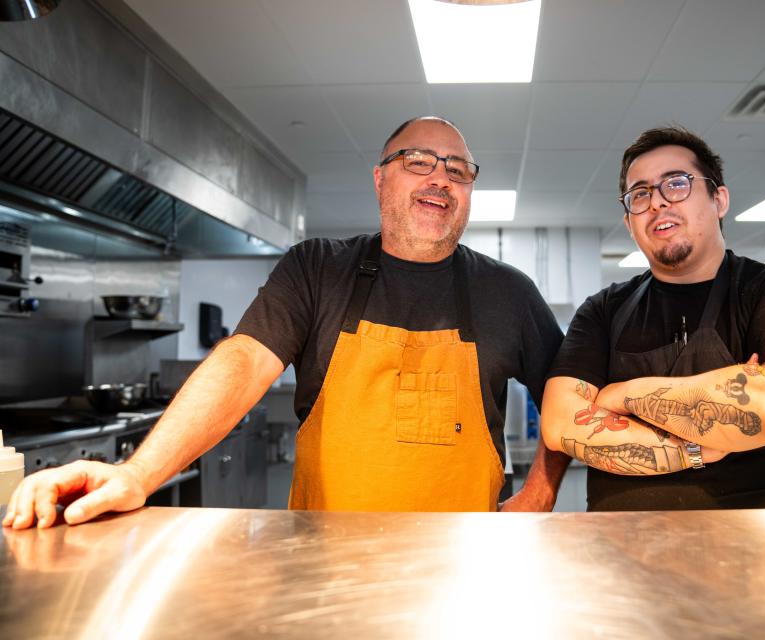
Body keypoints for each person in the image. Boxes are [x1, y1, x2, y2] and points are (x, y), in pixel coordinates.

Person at [3, 116, 570, 529]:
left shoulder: (509, 292)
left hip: (470, 559)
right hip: (323, 556)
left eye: (458, 170)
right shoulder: (317, 268)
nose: (439, 178)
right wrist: (138, 473)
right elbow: (245, 359)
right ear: (380, 179)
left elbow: (566, 400)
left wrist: (541, 491)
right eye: (417, 161)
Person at [541, 126, 765, 511]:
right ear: (629, 222)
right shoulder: (603, 310)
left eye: (676, 184)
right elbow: (560, 423)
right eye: (640, 194)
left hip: (763, 538)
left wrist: (621, 396)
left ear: (719, 199)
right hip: (623, 544)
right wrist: (698, 447)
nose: (657, 203)